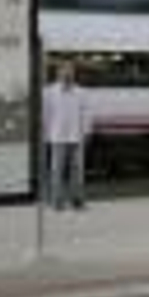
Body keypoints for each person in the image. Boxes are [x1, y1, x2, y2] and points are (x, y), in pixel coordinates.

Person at [43, 59, 92, 210]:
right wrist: (46, 134)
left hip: (76, 136)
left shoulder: (82, 93)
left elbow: (86, 113)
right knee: (56, 170)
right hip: (57, 136)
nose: (67, 73)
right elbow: (46, 115)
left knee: (77, 170)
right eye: (64, 70)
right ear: (58, 73)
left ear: (74, 73)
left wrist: (87, 131)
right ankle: (57, 201)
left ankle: (77, 199)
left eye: (70, 70)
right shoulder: (49, 92)